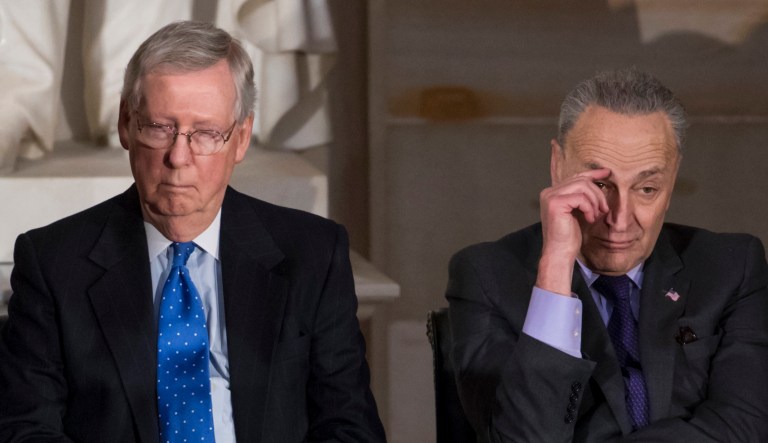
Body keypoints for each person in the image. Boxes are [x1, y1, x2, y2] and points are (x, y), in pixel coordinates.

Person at [0, 21, 385, 442]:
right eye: (160, 127)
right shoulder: (53, 264)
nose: (179, 157)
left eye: (206, 133)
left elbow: (350, 427)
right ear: (127, 124)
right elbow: (27, 430)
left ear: (240, 138)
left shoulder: (313, 253)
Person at [445, 68, 768, 442]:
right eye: (600, 185)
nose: (619, 220)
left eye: (647, 189)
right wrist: (555, 269)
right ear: (557, 165)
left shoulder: (733, 266)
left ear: (673, 177)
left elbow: (744, 425)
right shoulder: (486, 276)